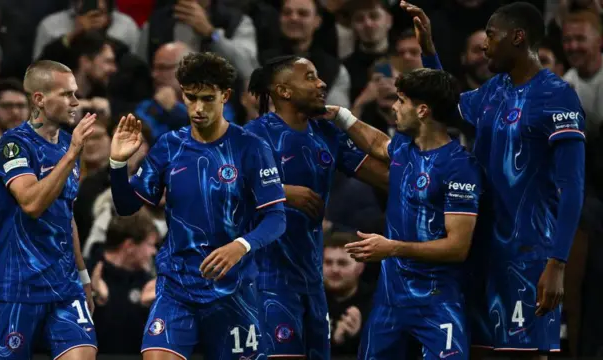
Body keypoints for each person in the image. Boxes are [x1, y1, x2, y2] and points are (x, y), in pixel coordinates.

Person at [401, 1, 586, 357]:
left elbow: (573, 186)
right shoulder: (493, 89)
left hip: (530, 255)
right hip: (483, 251)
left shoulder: (557, 95)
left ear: (517, 37)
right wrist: (428, 49)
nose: (484, 44)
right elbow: (447, 106)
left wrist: (557, 262)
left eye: (491, 34)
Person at [108, 52, 287, 360]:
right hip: (176, 285)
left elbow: (276, 218)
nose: (198, 108)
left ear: (225, 96)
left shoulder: (251, 148)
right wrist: (117, 163)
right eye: (191, 98)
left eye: (207, 98)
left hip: (234, 289)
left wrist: (240, 246)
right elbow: (126, 206)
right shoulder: (169, 146)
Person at [326, 68, 482, 359]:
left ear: (422, 110)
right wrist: (342, 117)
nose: (394, 107)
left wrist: (392, 248)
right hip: (390, 301)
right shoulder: (405, 148)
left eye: (401, 101)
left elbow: (457, 247)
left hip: (437, 300)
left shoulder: (460, 167)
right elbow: (377, 144)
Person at [244, 55, 388, 359]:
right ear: (284, 91)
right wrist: (281, 192)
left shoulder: (327, 133)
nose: (322, 83)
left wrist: (346, 118)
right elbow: (221, 193)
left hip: (312, 282)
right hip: (268, 280)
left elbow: (391, 172)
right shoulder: (253, 136)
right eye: (309, 77)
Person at [0, 60, 98, 360]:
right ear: (39, 99)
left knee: (83, 354)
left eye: (76, 94)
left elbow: (67, 215)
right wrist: (74, 152)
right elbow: (32, 203)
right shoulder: (14, 145)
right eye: (66, 94)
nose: (76, 102)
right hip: (18, 287)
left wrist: (84, 277)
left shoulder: (67, 145)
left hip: (65, 285)